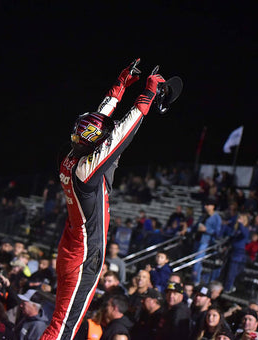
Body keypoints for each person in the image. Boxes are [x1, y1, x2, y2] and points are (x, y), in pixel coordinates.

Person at [41, 58, 166, 340]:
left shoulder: (69, 155)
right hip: (85, 255)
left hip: (73, 243)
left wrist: (120, 86)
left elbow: (99, 122)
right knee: (63, 326)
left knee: (63, 321)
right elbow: (119, 135)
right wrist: (145, 97)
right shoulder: (85, 171)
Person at [192, 197, 222, 285]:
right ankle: (196, 278)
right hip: (198, 239)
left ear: (212, 206)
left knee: (197, 260)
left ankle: (196, 280)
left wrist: (206, 229)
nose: (206, 206)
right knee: (196, 260)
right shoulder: (203, 215)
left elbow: (218, 232)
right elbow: (196, 225)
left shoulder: (217, 218)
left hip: (206, 241)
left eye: (208, 205)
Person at [224, 213, 249, 293]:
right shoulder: (236, 230)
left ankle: (228, 287)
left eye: (241, 219)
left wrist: (241, 223)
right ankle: (228, 286)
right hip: (233, 252)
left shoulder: (245, 229)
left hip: (239, 254)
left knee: (233, 272)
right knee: (229, 271)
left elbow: (244, 234)